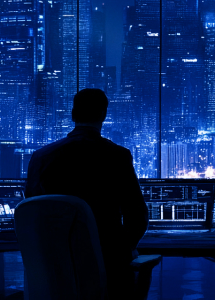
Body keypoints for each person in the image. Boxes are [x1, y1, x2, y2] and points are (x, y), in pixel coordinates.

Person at [25, 88, 149, 298]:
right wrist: (124, 249)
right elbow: (137, 215)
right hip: (109, 266)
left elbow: (32, 210)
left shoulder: (41, 157)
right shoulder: (117, 156)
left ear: (73, 115)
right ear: (103, 115)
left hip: (55, 267)